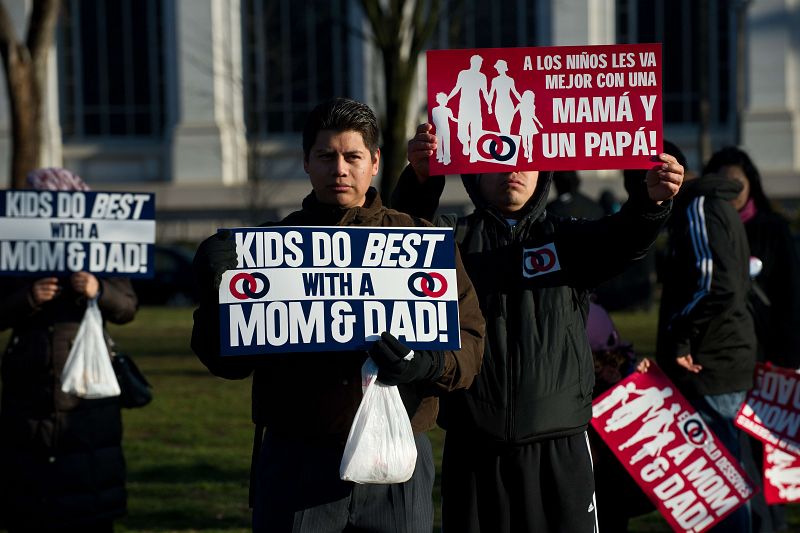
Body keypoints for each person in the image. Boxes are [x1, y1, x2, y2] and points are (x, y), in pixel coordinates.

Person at [190, 98, 485, 533]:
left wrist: (428, 363)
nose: (340, 169)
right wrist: (216, 293)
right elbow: (225, 363)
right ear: (306, 162)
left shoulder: (423, 242)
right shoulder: (265, 250)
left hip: (398, 455)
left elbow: (471, 347)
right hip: (298, 460)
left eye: (352, 156)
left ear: (375, 161)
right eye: (326, 156)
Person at [395, 122, 683, 532]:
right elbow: (396, 238)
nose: (512, 167)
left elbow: (622, 239)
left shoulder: (568, 239)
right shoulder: (451, 240)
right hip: (474, 448)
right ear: (475, 168)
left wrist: (651, 205)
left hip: (559, 446)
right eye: (498, 155)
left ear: (543, 170)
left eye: (525, 158)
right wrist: (421, 179)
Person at [0, 168, 139, 533]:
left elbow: (127, 307)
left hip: (87, 393)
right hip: (30, 396)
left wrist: (98, 289)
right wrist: (28, 298)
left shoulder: (104, 248)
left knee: (87, 498)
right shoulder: (12, 248)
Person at [656, 143, 756, 532]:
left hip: (710, 361)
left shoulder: (698, 206)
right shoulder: (714, 205)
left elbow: (718, 285)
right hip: (723, 356)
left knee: (718, 490)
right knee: (727, 481)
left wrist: (679, 339)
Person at [703, 146, 800, 533]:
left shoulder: (772, 229)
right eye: (723, 183)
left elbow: (791, 295)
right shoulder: (707, 226)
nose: (731, 190)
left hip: (768, 357)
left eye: (737, 184)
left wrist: (789, 357)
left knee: (768, 454)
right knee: (733, 452)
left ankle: (767, 523)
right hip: (724, 359)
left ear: (751, 185)